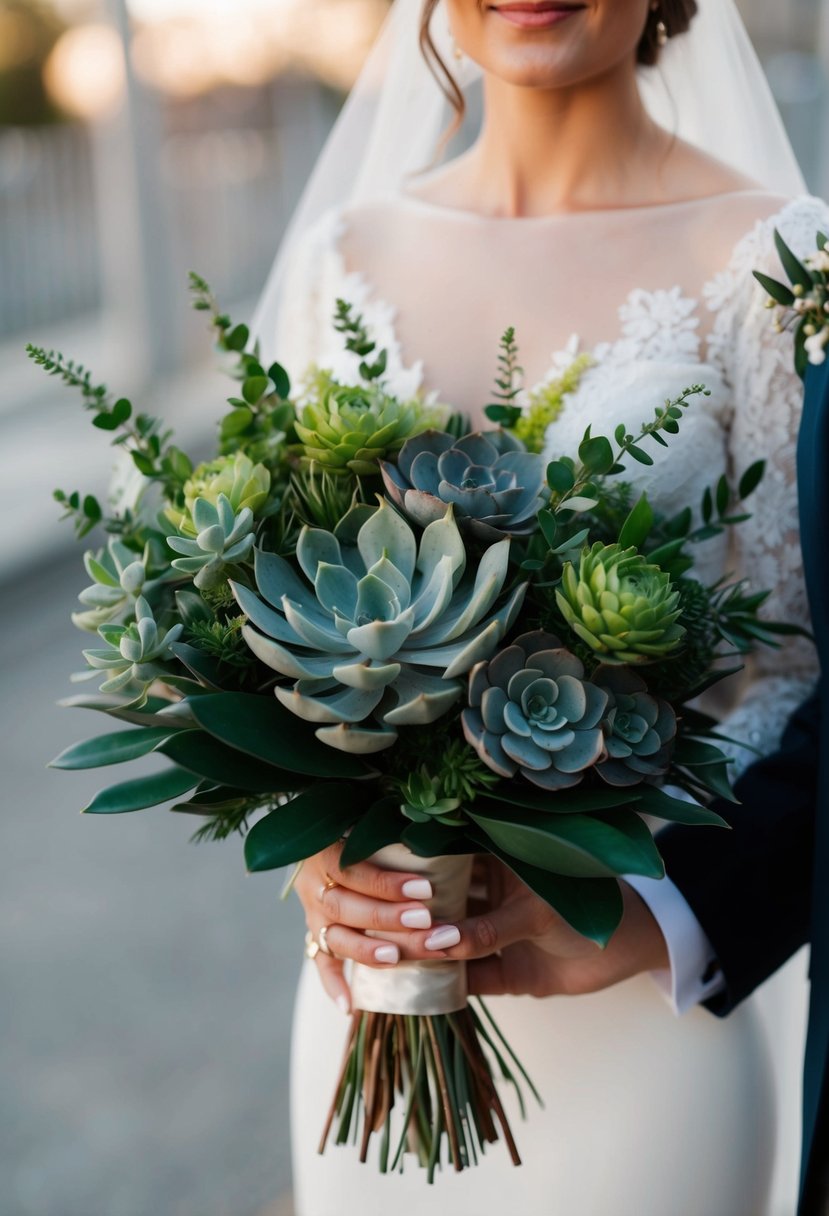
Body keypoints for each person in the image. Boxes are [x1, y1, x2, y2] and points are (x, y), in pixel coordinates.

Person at [251, 1, 828, 1211]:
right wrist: (309, 840)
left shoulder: (786, 264)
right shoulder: (336, 256)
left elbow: (799, 672)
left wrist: (645, 911)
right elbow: (260, 615)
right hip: (374, 1018)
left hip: (644, 1033)